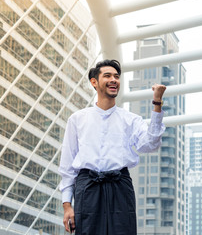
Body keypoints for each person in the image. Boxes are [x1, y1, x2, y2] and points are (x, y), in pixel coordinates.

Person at [58, 59, 166, 234]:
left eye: (117, 76)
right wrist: (67, 206)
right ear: (94, 82)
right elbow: (67, 167)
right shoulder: (77, 119)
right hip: (88, 187)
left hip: (120, 186)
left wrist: (157, 103)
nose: (114, 79)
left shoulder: (131, 119)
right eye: (107, 75)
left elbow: (151, 144)